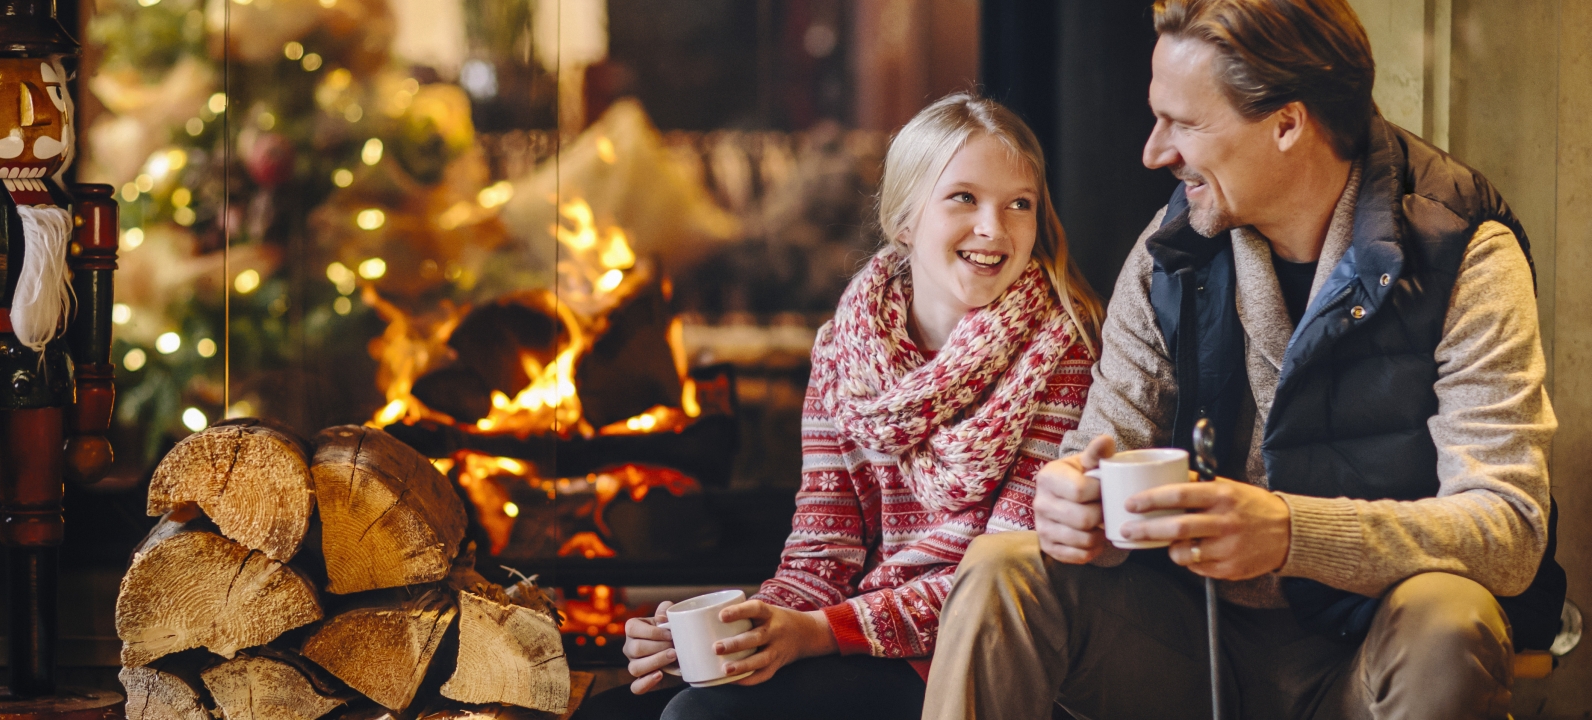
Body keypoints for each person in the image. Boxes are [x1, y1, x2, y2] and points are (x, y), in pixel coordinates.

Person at [921, 2, 1566, 719]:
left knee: (1452, 614)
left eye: (1185, 124)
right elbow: (1102, 449)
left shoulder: (1462, 250)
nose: (1155, 152)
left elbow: (1508, 531)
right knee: (999, 568)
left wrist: (1290, 534)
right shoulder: (1171, 253)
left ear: (1287, 124)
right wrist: (1074, 503)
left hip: (1373, 650)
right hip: (1187, 644)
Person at [576, 94, 1104, 720]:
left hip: (970, 655)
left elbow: (1003, 581)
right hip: (852, 630)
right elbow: (821, 553)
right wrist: (737, 635)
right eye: (964, 197)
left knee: (700, 716)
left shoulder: (1061, 350)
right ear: (906, 218)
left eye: (1019, 203)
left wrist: (818, 634)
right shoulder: (843, 352)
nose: (995, 226)